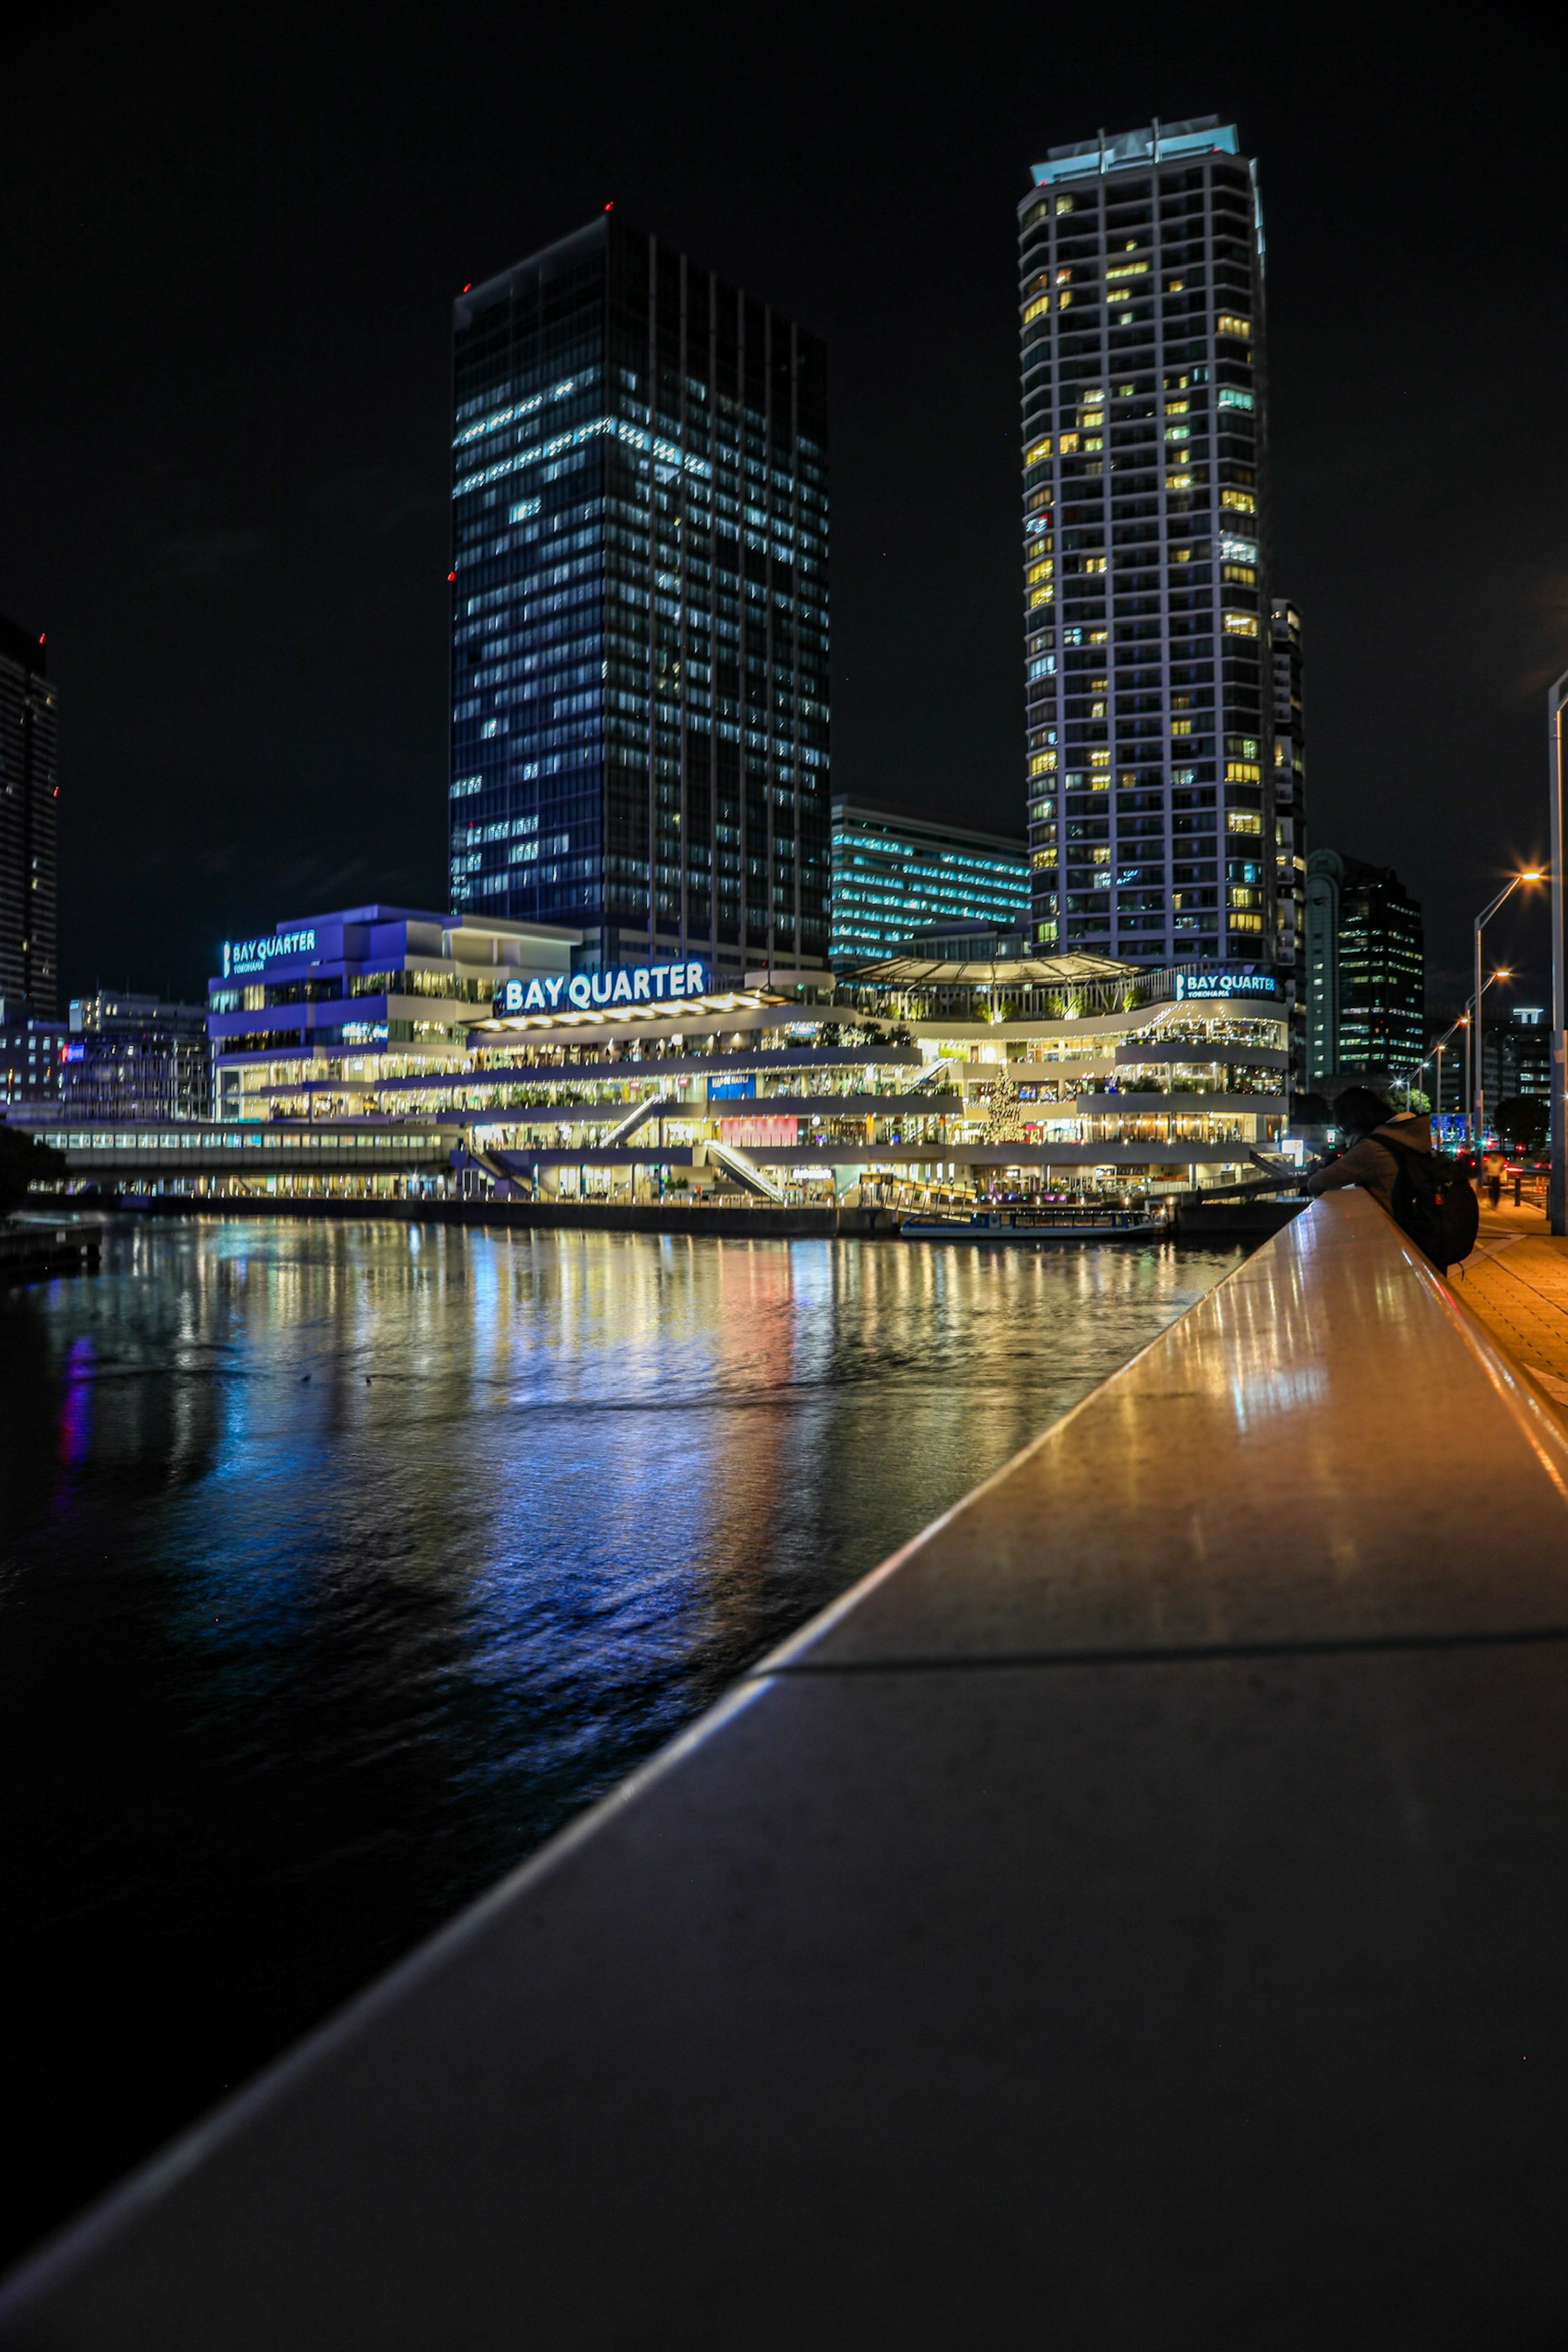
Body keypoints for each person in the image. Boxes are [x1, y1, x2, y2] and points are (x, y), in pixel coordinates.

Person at [1304, 1087, 1434, 1217]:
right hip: (1419, 1227)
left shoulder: (1372, 1148)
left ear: (1349, 1124)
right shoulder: (1405, 1139)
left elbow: (1316, 1184)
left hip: (1393, 1229)